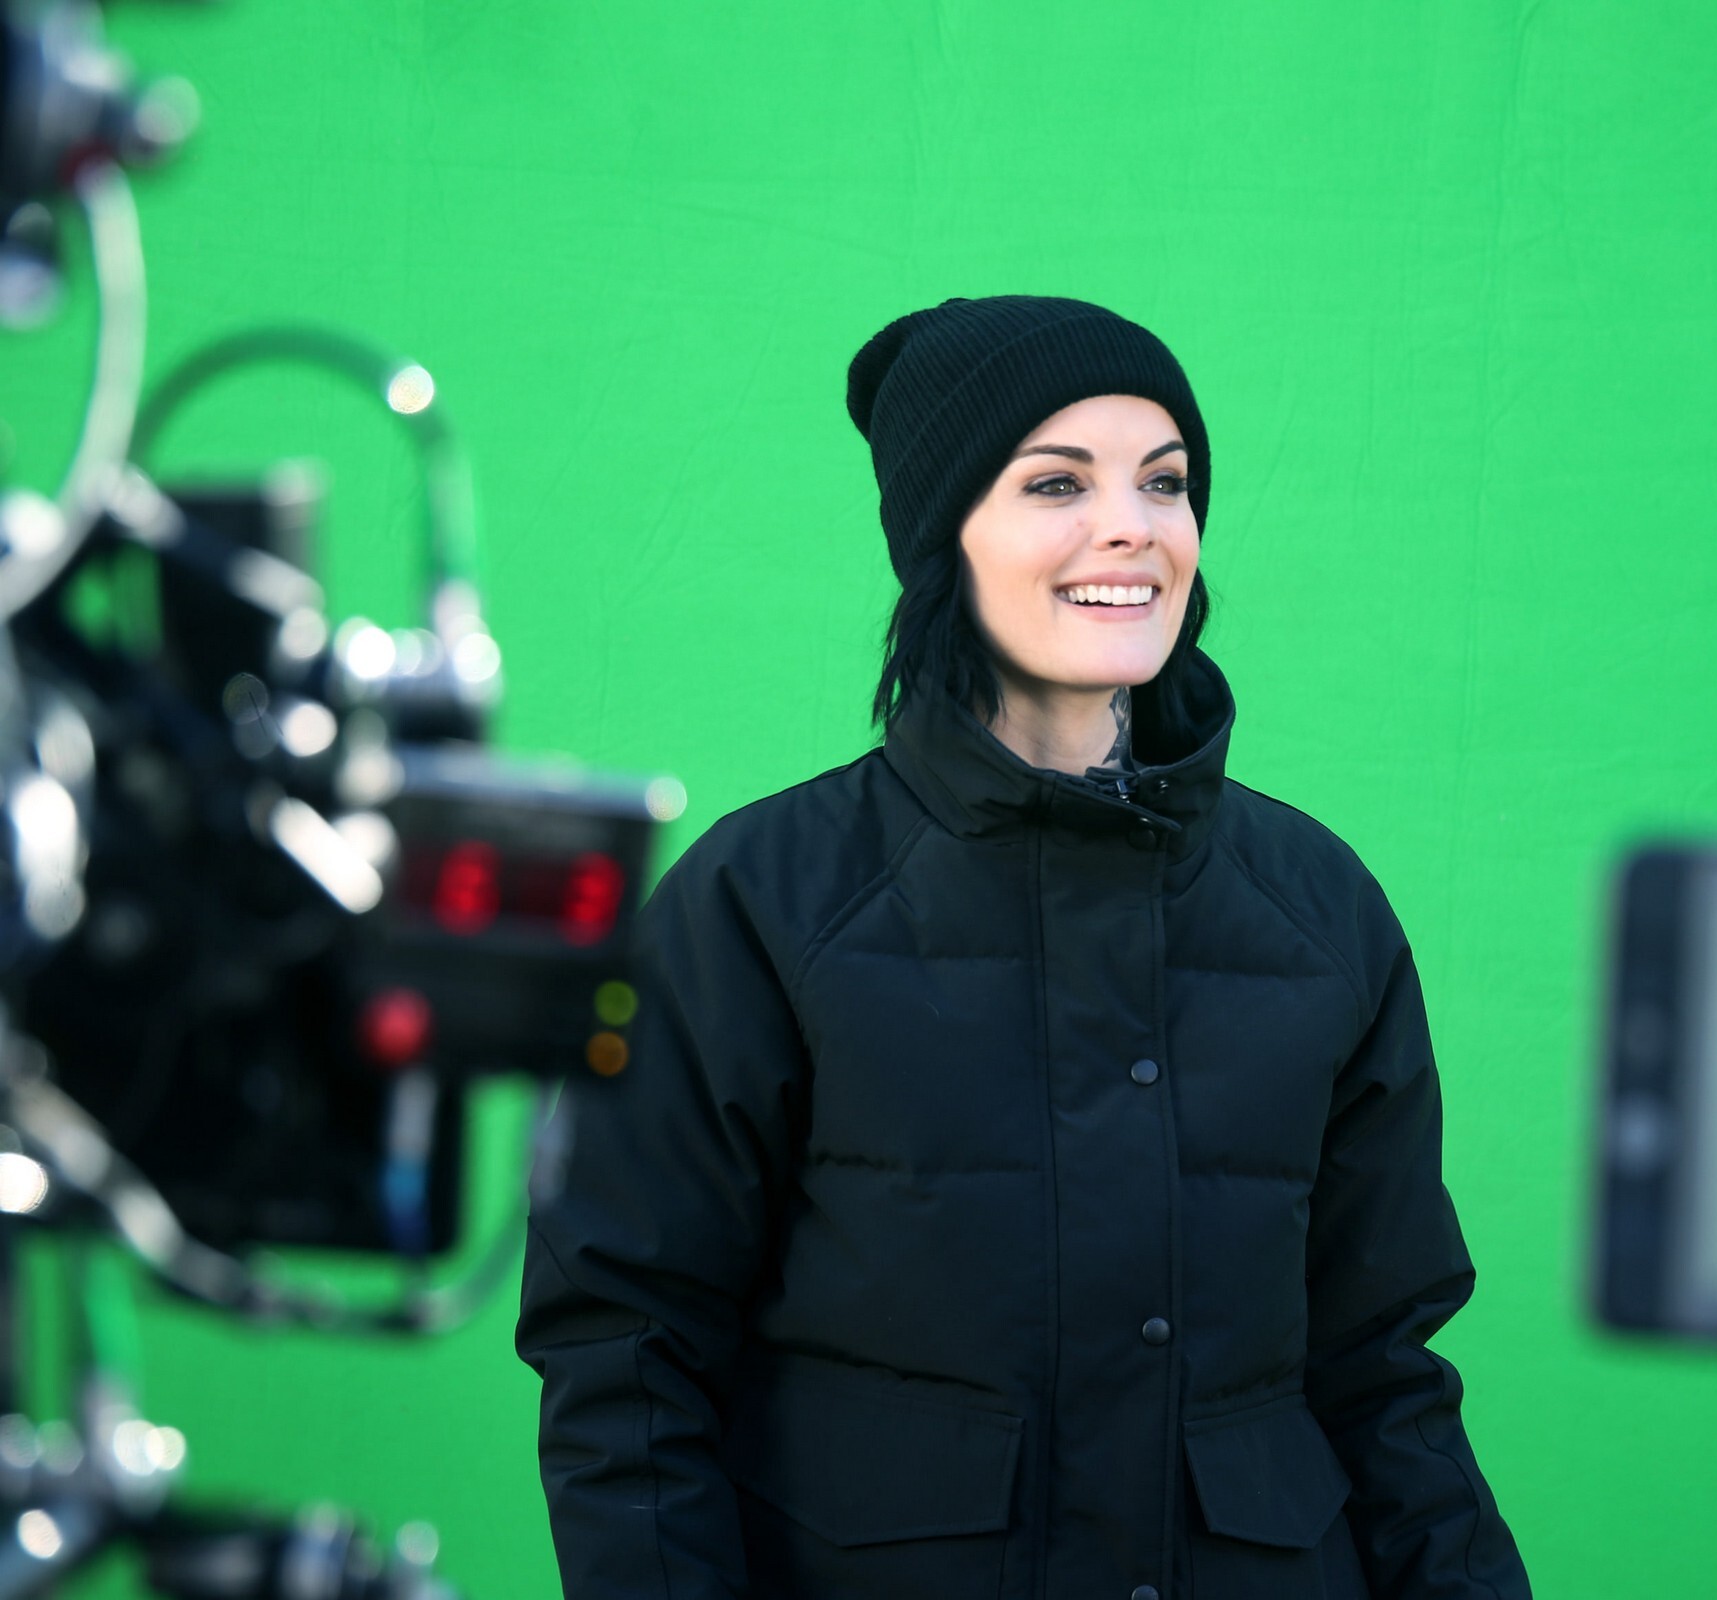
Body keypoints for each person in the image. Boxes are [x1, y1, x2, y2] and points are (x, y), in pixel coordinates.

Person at [516, 295, 1530, 1599]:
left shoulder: (1318, 909)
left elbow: (1384, 1375)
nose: (1132, 525)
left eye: (1164, 481)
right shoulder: (761, 902)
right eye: (1057, 482)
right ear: (945, 535)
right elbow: (626, 1353)